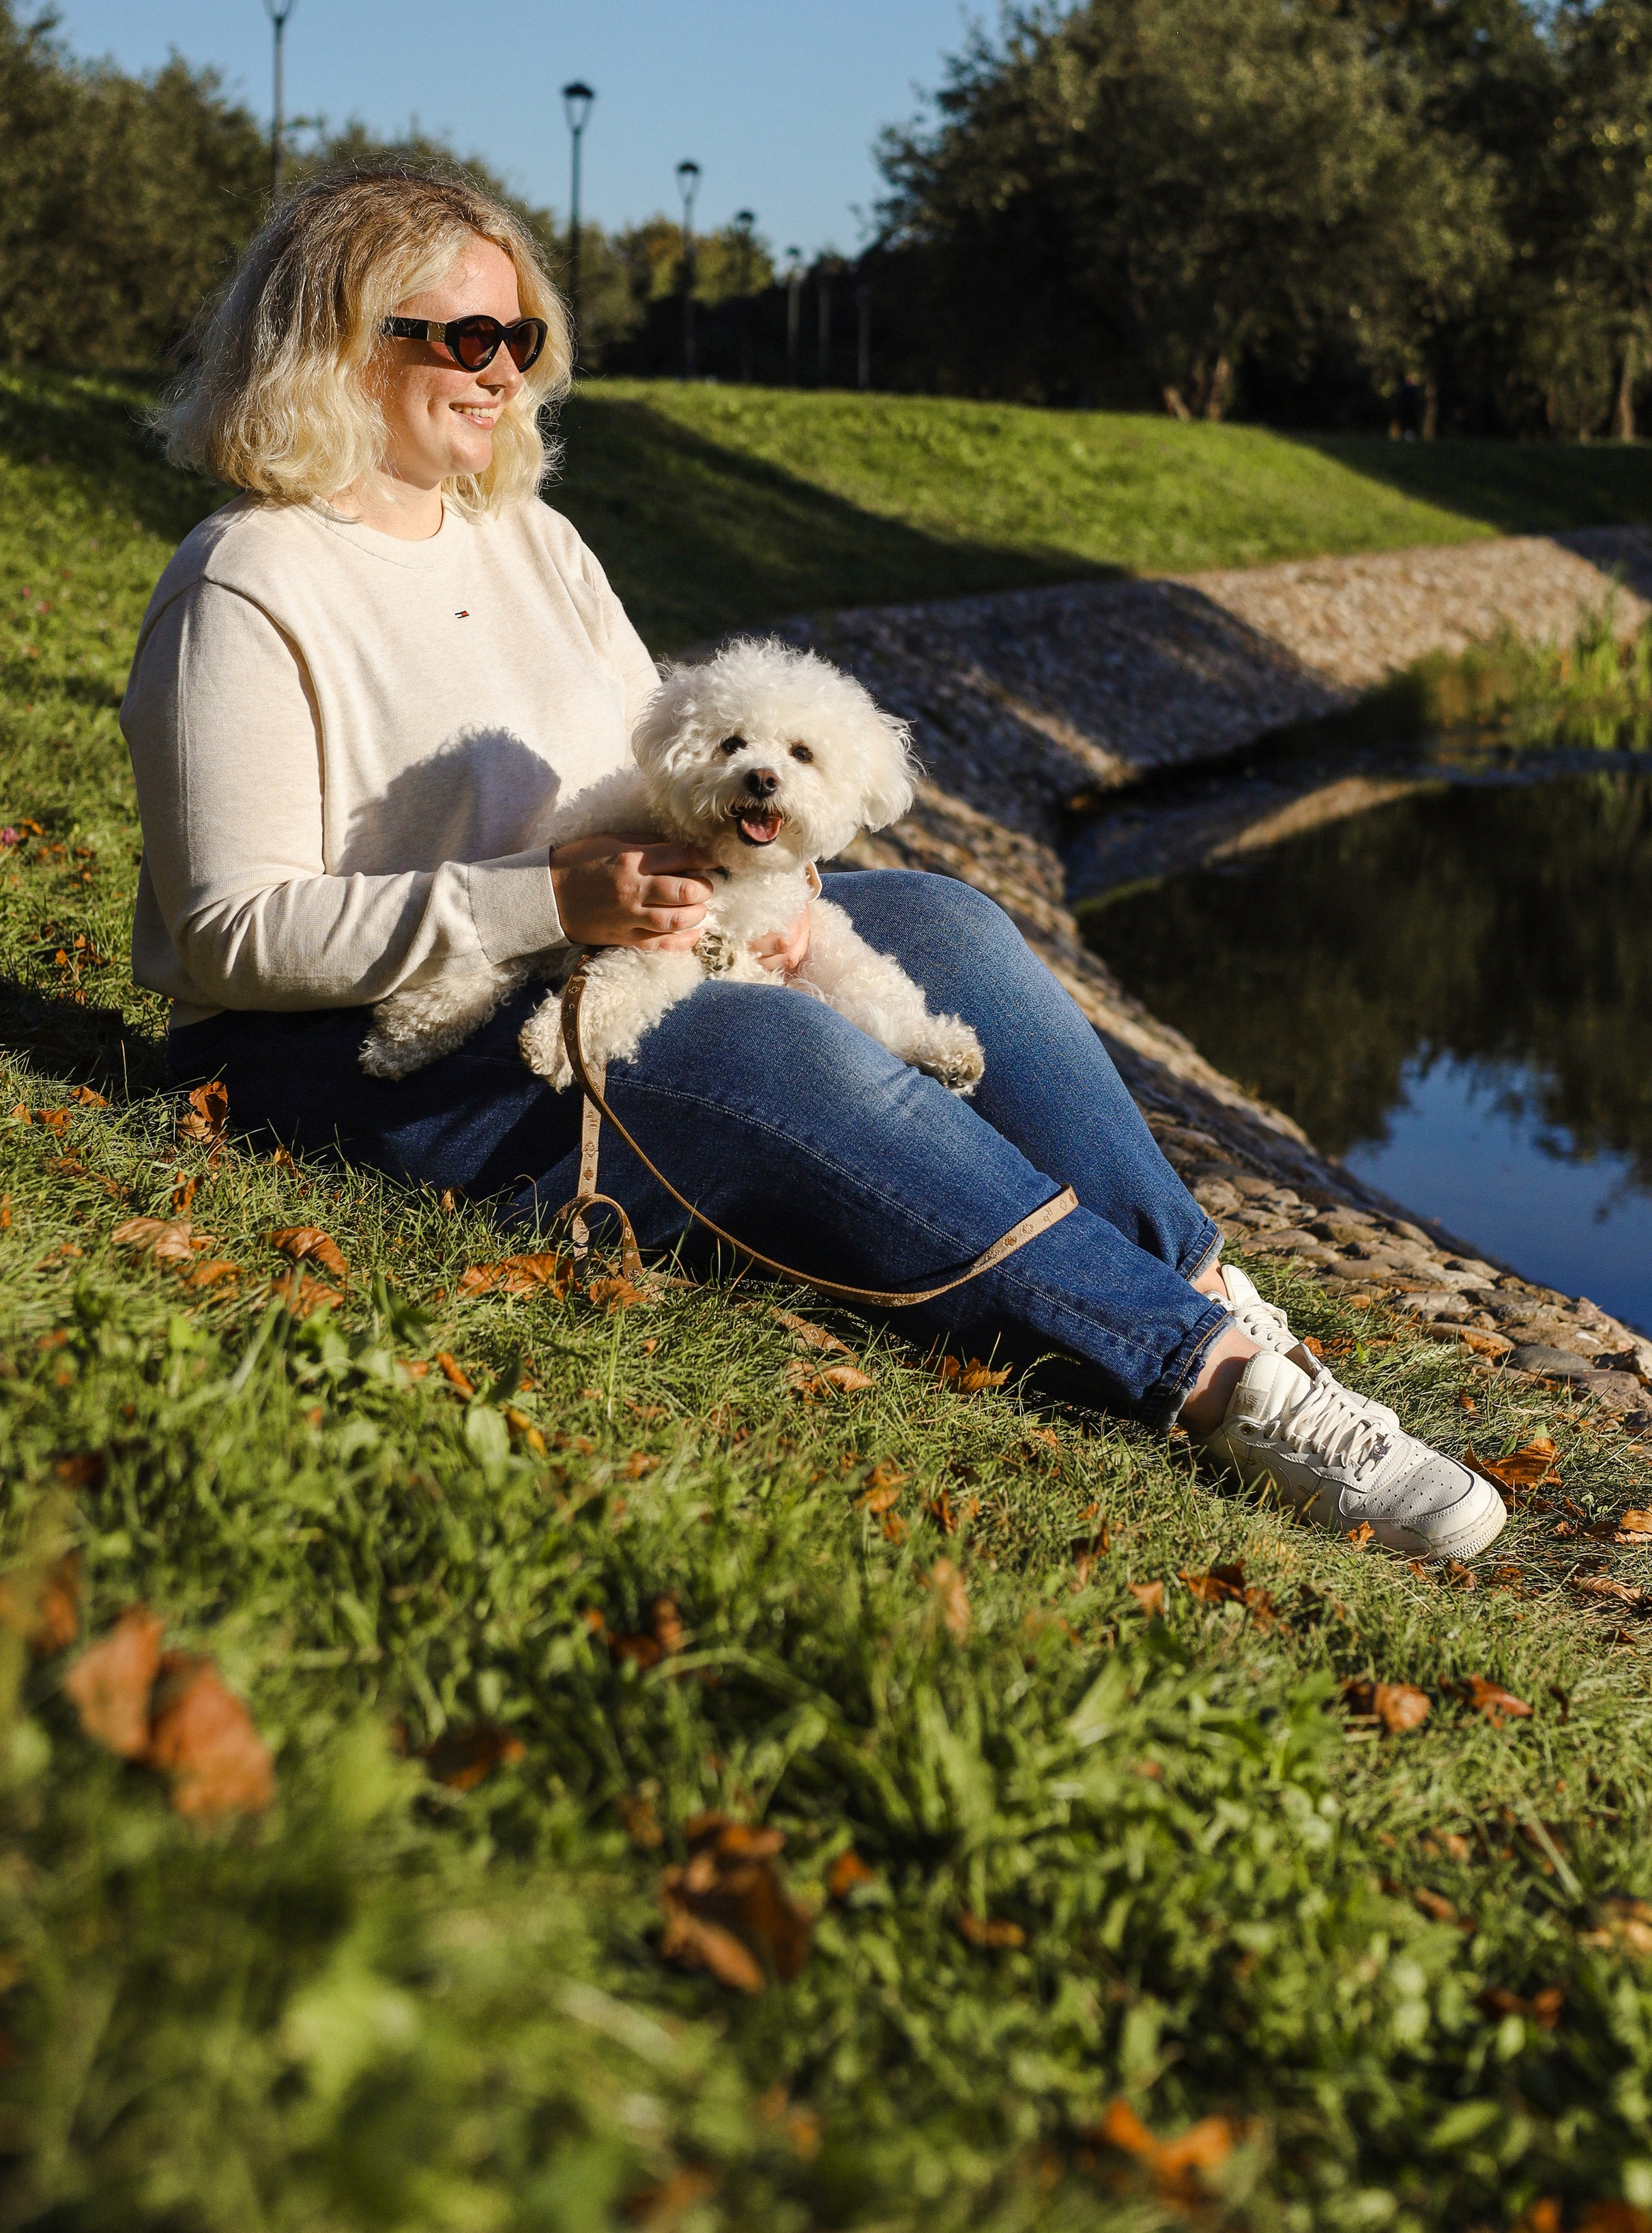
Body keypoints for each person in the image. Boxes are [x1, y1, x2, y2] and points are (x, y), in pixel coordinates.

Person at [123, 164, 1505, 1565]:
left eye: (521, 338)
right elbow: (228, 932)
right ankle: (1217, 1385)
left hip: (598, 943)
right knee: (771, 1049)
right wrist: (553, 900)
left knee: (943, 927)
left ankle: (1199, 1279)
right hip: (348, 1055)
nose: (502, 374)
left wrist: (760, 898)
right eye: (464, 338)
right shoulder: (248, 578)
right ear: (338, 338)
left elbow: (667, 768)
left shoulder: (530, 537)